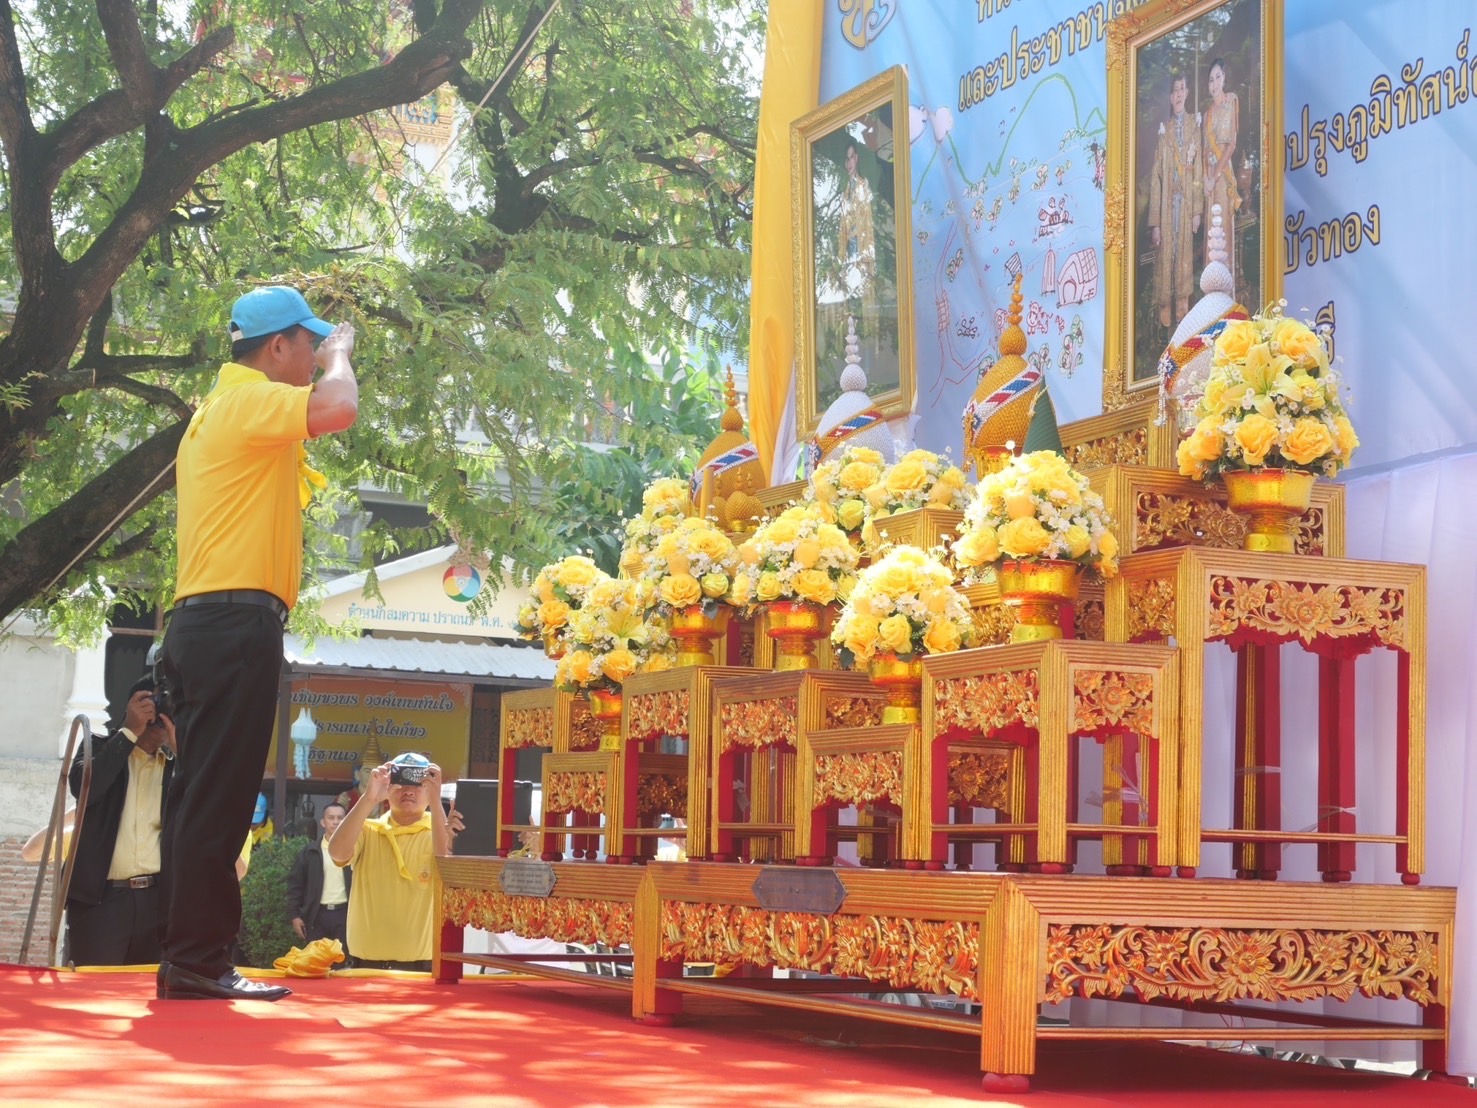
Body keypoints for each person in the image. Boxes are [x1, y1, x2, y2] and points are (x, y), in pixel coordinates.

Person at [155, 285, 359, 1002]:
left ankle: (188, 956)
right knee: (218, 798)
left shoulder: (225, 407)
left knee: (198, 796)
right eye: (308, 344)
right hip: (233, 622)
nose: (314, 356)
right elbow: (339, 408)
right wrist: (342, 356)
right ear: (278, 347)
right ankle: (198, 960)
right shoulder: (247, 401)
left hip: (210, 622)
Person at [65, 677, 175, 967]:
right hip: (102, 902)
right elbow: (85, 787)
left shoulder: (176, 768)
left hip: (157, 903)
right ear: (130, 707)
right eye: (150, 701)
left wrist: (185, 750)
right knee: (93, 998)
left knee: (146, 998)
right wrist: (129, 730)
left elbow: (203, 807)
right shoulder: (96, 747)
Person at [329, 754, 462, 971]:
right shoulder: (368, 830)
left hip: (422, 969)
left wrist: (437, 802)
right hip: (365, 968)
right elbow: (337, 853)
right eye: (400, 784)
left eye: (419, 785)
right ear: (389, 789)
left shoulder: (440, 834)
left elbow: (444, 864)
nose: (408, 791)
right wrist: (369, 798)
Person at [1148, 72, 1202, 330]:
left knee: (1184, 256)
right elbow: (1156, 179)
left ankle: (1183, 312)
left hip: (1187, 203)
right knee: (1166, 254)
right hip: (1168, 206)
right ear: (1171, 98)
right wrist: (1156, 222)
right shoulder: (1164, 133)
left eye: (1183, 88)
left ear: (1187, 93)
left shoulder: (1195, 127)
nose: (1179, 94)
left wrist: (1197, 211)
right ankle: (1165, 313)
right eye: (1175, 90)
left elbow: (1199, 169)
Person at [287, 802, 353, 954]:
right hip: (317, 915)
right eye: (331, 818)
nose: (336, 822)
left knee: (341, 964)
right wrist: (294, 916)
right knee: (315, 962)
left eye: (340, 818)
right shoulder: (310, 852)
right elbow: (295, 885)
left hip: (345, 914)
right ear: (323, 822)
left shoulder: (354, 850)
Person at [1202, 57, 1240, 282]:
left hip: (1224, 178)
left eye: (1218, 77)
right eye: (1210, 80)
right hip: (1211, 183)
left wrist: (1215, 176)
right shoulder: (1207, 114)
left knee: (1223, 232)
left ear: (1224, 78)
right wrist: (1207, 178)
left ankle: (1226, 291)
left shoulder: (1231, 101)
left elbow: (1231, 144)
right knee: (1211, 238)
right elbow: (1206, 149)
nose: (1214, 83)